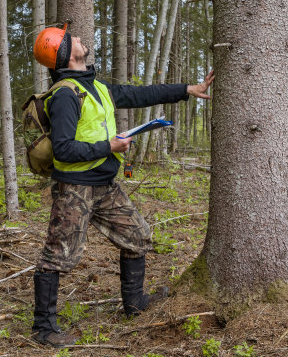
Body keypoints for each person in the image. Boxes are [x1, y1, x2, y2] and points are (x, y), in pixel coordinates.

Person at [31, 23, 214, 348]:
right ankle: (43, 330)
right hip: (74, 188)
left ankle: (135, 304)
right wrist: (109, 147)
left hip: (103, 185)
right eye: (71, 38)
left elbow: (138, 94)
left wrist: (187, 89)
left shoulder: (96, 87)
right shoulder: (65, 95)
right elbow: (63, 149)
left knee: (137, 236)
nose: (79, 39)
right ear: (65, 53)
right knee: (58, 256)